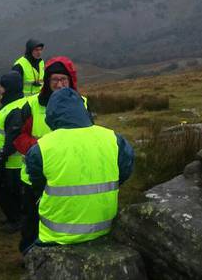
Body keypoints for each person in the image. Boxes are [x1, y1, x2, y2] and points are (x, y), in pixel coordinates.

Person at [26, 88, 134, 247]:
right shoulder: (113, 139)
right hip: (105, 229)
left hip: (56, 236)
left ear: (51, 115)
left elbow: (38, 184)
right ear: (83, 110)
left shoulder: (41, 148)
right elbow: (124, 171)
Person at [13, 56, 91, 253]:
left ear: (71, 81)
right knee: (31, 221)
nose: (59, 84)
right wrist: (41, 149)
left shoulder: (83, 103)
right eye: (54, 80)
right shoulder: (30, 105)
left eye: (64, 80)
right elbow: (17, 136)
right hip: (34, 177)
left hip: (69, 177)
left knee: (64, 220)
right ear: (47, 82)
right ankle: (28, 255)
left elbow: (90, 134)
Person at [0, 71, 26, 233]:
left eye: (2, 87)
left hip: (10, 163)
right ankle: (12, 217)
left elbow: (13, 139)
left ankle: (15, 221)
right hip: (7, 161)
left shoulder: (14, 109)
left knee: (9, 194)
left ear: (9, 89)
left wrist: (1, 158)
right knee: (8, 193)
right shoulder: (14, 104)